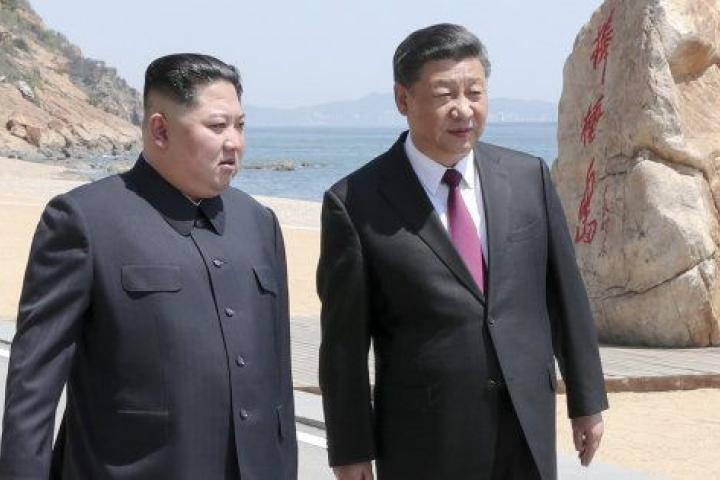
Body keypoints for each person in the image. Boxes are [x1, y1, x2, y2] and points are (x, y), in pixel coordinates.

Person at [317, 24, 608, 480]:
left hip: (524, 425)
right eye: (444, 94)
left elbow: (565, 295)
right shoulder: (356, 202)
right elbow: (344, 346)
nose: (463, 109)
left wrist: (587, 400)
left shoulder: (527, 177)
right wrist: (351, 451)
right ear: (402, 99)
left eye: (475, 92)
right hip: (425, 438)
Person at [0, 53, 297, 480]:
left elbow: (278, 381)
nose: (235, 142)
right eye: (217, 126)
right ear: (160, 130)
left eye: (240, 125)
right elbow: (34, 383)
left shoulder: (259, 223)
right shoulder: (85, 221)